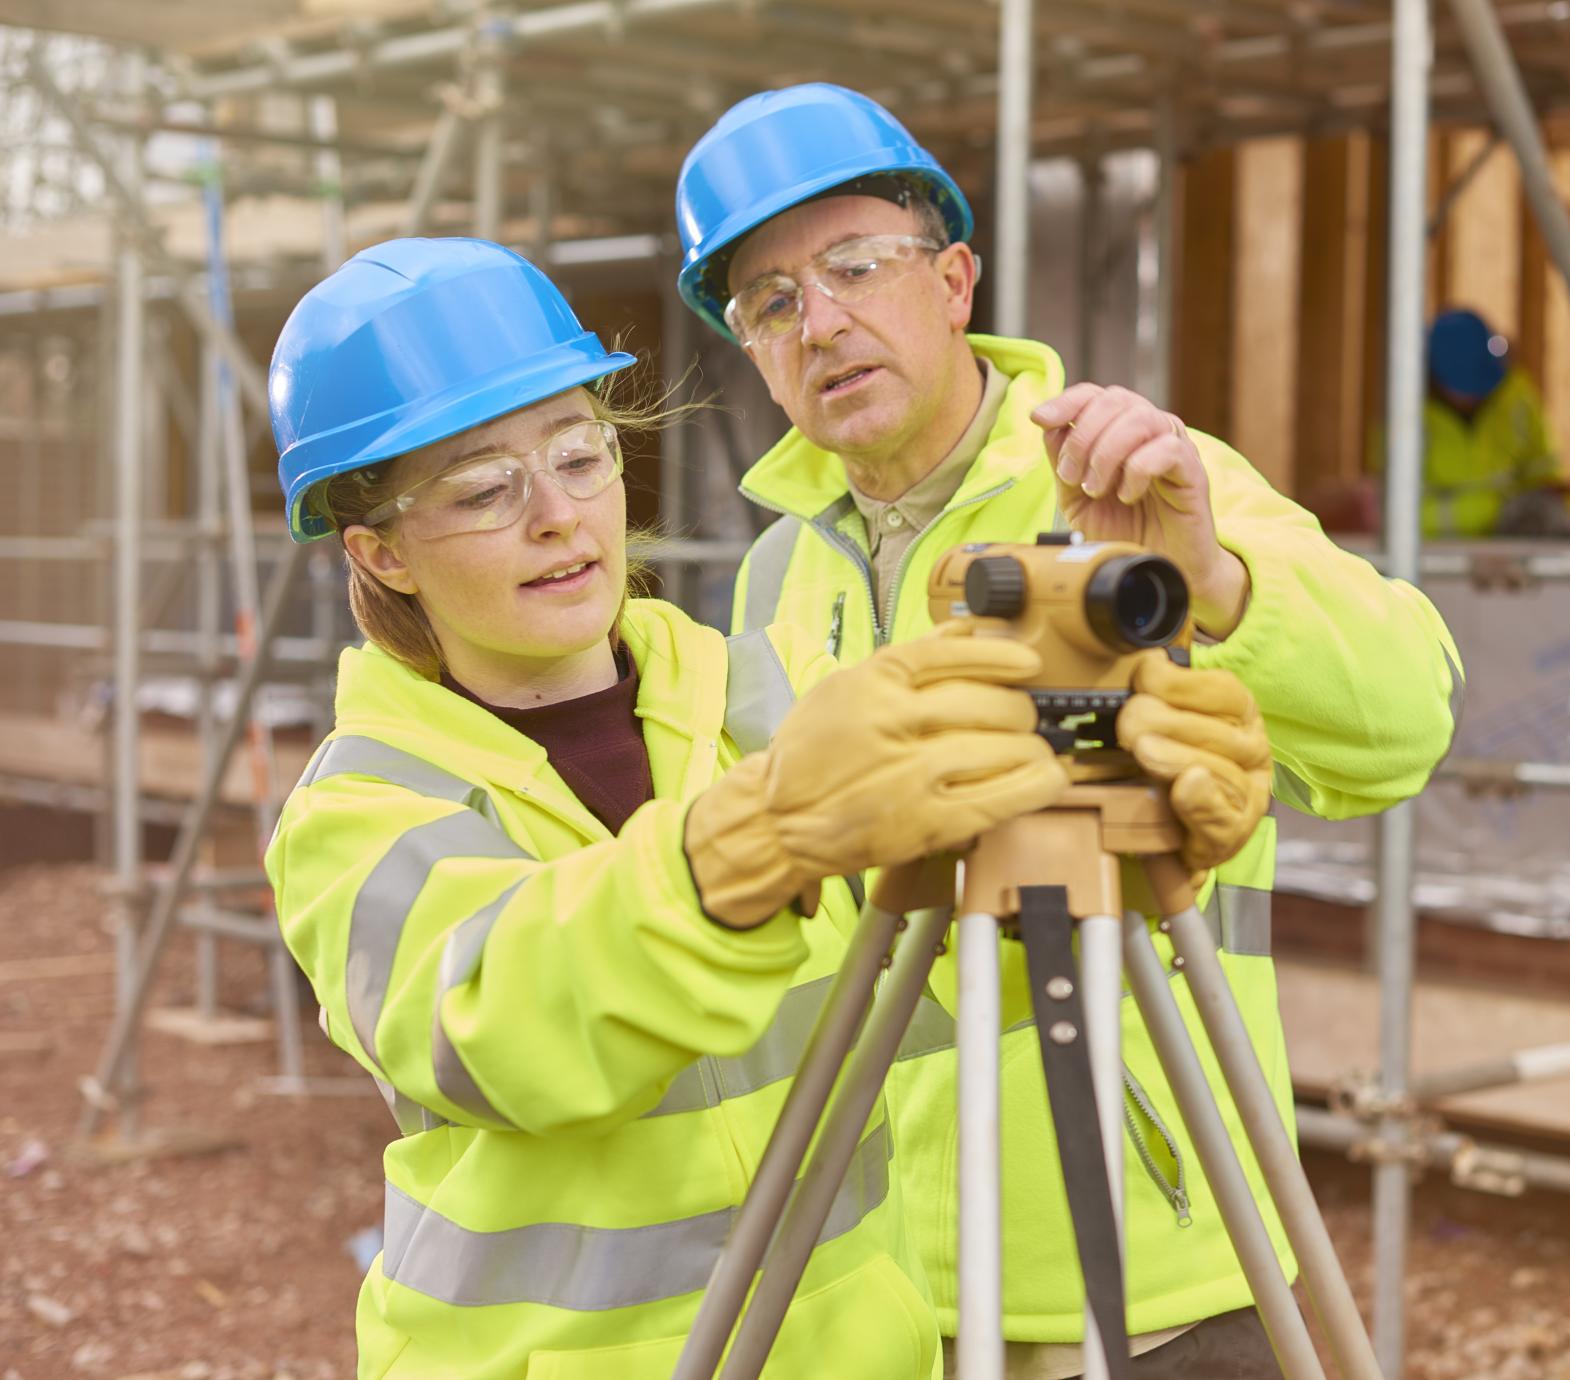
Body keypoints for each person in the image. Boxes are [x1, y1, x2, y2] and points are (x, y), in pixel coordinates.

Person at [675, 85, 1465, 1379]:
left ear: (955, 279)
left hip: (1151, 1272)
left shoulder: (1136, 486)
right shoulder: (772, 577)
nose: (820, 321)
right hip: (870, 1278)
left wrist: (1213, 578)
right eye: (769, 301)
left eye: (855, 265)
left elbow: (1404, 723)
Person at [261, 237, 1101, 1380]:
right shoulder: (359, 809)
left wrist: (1101, 826)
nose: (558, 516)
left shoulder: (765, 692)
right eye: (484, 490)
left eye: (579, 456)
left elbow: (932, 983)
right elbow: (505, 1029)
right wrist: (742, 848)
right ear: (381, 553)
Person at [1404, 308, 1570, 539]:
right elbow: (1398, 511)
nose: (1476, 395)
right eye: (1464, 385)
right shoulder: (1407, 413)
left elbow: (1544, 473)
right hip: (1434, 553)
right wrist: (1495, 511)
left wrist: (1563, 507)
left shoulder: (1515, 397)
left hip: (1514, 545)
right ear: (1435, 377)